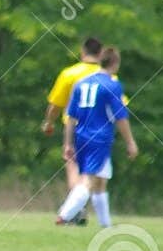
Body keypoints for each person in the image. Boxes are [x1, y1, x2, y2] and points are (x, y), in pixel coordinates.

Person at [56, 46, 138, 228]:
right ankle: (65, 214)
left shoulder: (81, 83)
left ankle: (105, 224)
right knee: (89, 179)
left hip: (81, 135)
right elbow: (120, 117)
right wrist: (130, 142)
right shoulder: (112, 84)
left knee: (101, 181)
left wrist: (68, 143)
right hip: (99, 137)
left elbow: (71, 117)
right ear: (115, 64)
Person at [44, 36, 104, 218]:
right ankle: (80, 206)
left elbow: (55, 104)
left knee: (73, 166)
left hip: (75, 127)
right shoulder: (107, 76)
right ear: (101, 54)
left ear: (82, 51)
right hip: (100, 129)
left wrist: (48, 122)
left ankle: (76, 209)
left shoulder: (70, 74)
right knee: (93, 171)